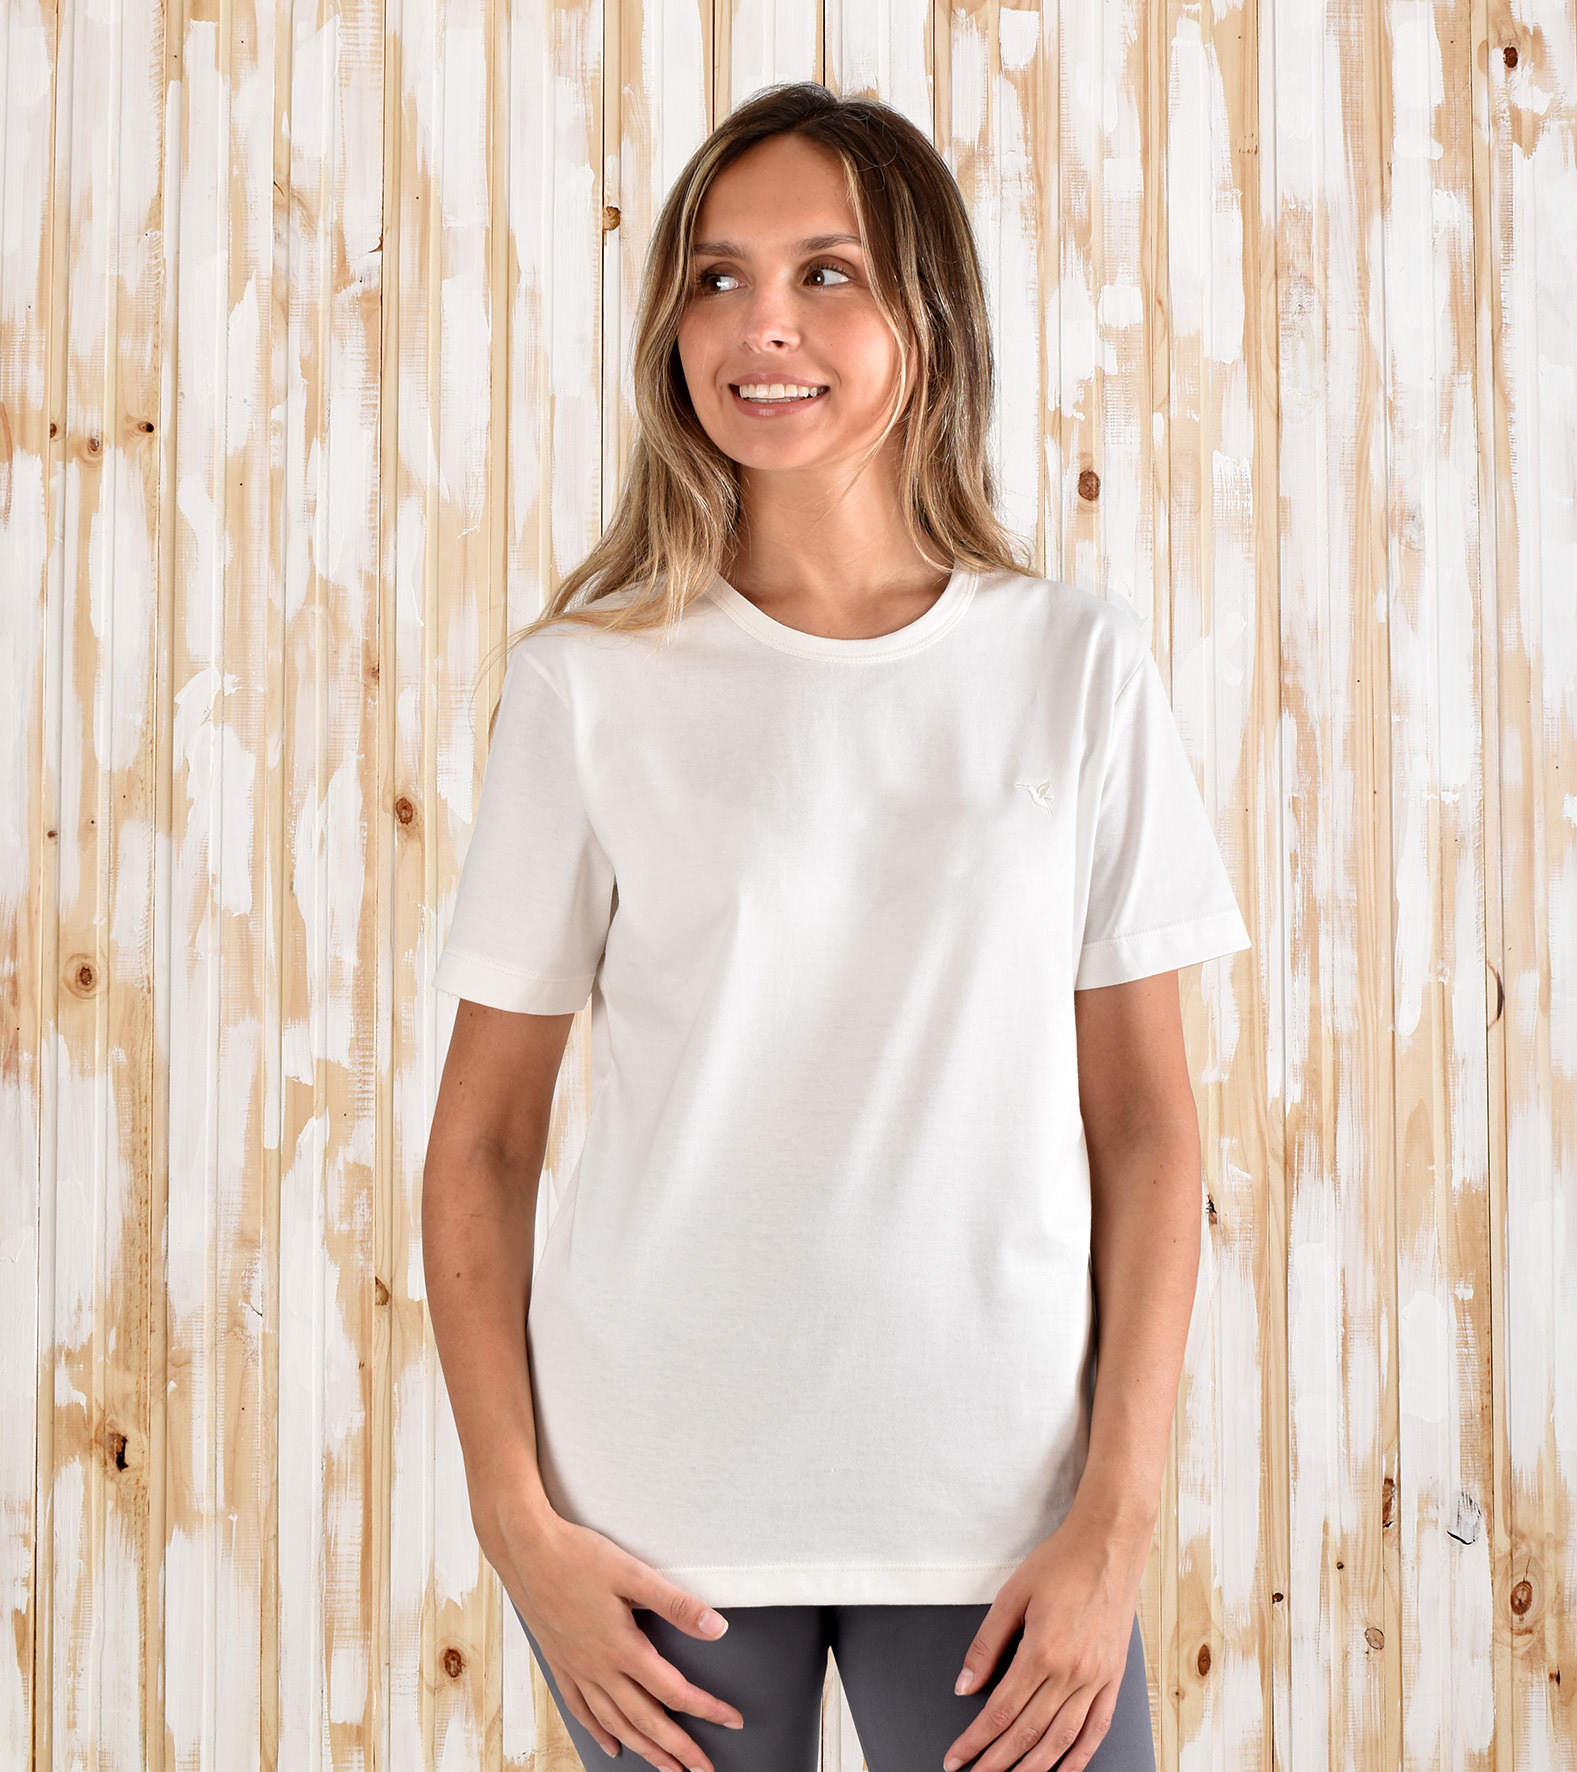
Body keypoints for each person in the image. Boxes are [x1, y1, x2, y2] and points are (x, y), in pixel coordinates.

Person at [421, 80, 1250, 1772]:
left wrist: (1115, 1520)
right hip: (654, 1522)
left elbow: (1150, 1129)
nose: (763, 326)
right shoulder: (588, 686)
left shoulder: (1075, 666)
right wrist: (518, 1528)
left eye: (827, 273)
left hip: (1002, 1512)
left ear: (929, 313)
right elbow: (485, 1142)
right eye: (715, 278)